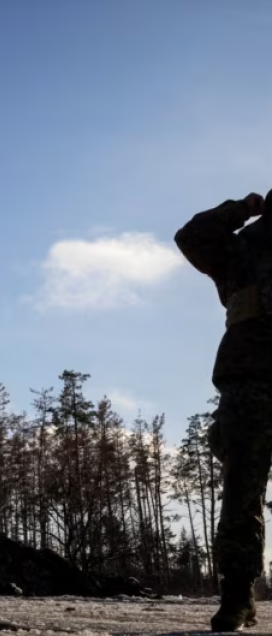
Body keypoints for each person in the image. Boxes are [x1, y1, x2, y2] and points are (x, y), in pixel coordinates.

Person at [174, 191, 272, 631]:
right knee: (241, 495)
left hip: (246, 382)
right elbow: (193, 236)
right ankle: (237, 596)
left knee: (241, 495)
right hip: (249, 383)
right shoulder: (242, 247)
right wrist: (242, 208)